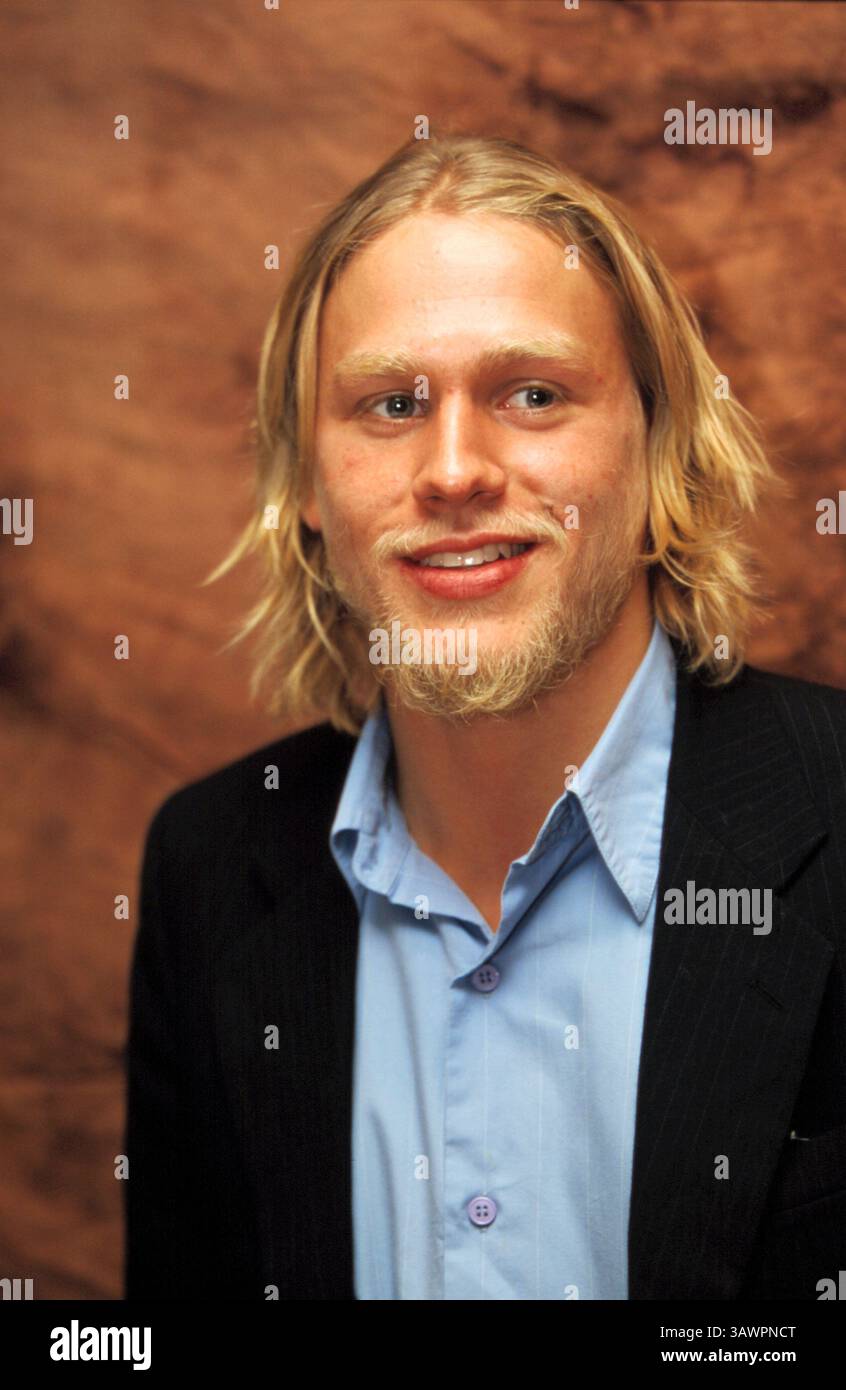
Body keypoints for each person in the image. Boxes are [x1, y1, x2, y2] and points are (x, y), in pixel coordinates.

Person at [123, 133, 846, 1300]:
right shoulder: (209, 871)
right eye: (390, 403)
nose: (454, 468)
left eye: (533, 393)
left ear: (659, 449)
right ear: (307, 486)